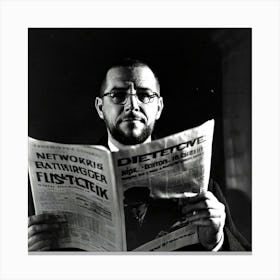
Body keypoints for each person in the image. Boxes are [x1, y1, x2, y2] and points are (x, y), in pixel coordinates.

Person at [28, 58, 251, 251]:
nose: (132, 105)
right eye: (117, 95)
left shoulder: (201, 184)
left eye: (145, 95)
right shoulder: (56, 186)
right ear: (99, 107)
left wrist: (216, 241)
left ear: (159, 107)